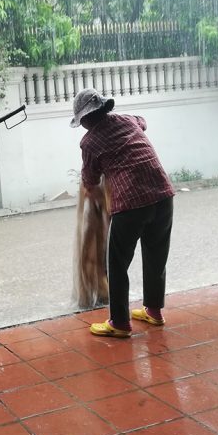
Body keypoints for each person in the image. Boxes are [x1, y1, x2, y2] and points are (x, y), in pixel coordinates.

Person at [70, 88, 175, 338]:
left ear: (85, 119)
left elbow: (90, 179)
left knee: (116, 264)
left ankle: (119, 322)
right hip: (163, 194)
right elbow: (143, 121)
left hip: (131, 203)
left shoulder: (89, 142)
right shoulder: (127, 120)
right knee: (155, 256)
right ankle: (154, 311)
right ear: (105, 108)